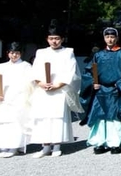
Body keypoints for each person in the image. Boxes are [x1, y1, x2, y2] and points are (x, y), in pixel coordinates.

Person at [30, 20, 83, 158]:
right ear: (47, 39)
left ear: (62, 39)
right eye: (52, 38)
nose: (54, 41)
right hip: (44, 90)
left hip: (59, 89)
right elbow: (35, 70)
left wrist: (58, 85)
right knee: (43, 118)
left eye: (57, 38)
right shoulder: (41, 52)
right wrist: (40, 83)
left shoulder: (68, 52)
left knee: (58, 118)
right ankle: (45, 146)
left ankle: (57, 145)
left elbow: (71, 72)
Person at [80, 27, 121, 154]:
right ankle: (100, 142)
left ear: (116, 38)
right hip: (100, 90)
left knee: (115, 118)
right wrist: (93, 82)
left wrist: (120, 84)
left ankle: (116, 143)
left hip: (116, 90)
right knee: (100, 117)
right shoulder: (98, 55)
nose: (110, 39)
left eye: (112, 37)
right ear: (104, 39)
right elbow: (88, 72)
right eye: (107, 37)